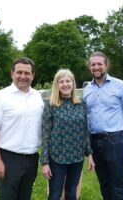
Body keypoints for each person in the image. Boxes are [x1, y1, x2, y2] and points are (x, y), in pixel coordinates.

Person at [83, 51, 123, 200]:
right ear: (90, 67)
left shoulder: (120, 86)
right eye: (93, 64)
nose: (96, 67)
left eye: (99, 64)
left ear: (106, 65)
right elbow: (86, 117)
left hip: (115, 140)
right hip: (95, 141)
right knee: (104, 183)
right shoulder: (87, 90)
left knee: (117, 184)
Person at [0, 57, 44, 200]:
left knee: (25, 196)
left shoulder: (37, 96)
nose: (23, 76)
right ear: (12, 73)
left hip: (31, 158)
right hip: (8, 158)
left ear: (33, 75)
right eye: (19, 72)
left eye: (27, 73)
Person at [40, 69, 95, 200]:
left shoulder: (81, 103)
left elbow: (85, 130)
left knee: (71, 192)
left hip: (77, 157)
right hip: (57, 157)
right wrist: (45, 162)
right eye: (61, 81)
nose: (65, 84)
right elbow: (46, 134)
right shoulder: (51, 105)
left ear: (73, 83)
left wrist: (90, 154)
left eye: (68, 81)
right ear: (57, 85)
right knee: (55, 194)